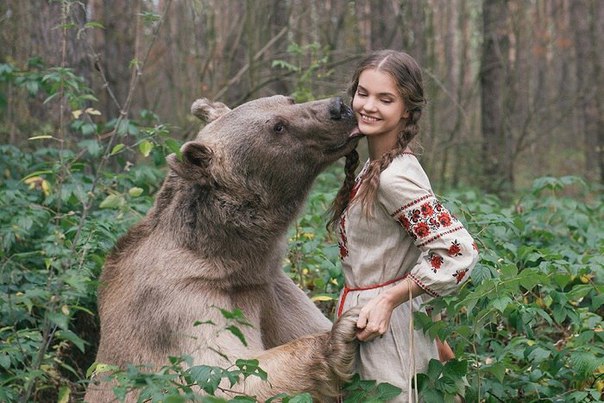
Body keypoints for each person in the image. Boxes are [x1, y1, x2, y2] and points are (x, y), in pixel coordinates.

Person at [327, 49, 479, 400]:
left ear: (406, 111)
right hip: (366, 322)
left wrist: (389, 300)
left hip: (388, 332)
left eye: (385, 99)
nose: (368, 106)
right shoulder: (374, 168)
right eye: (362, 93)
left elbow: (458, 250)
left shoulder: (395, 177)